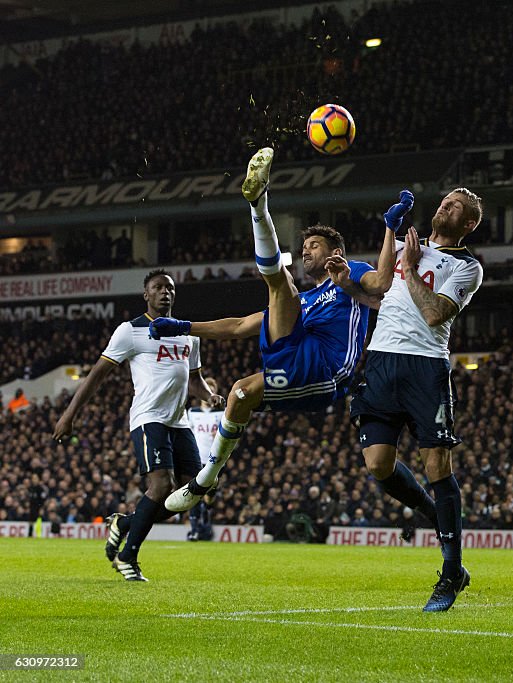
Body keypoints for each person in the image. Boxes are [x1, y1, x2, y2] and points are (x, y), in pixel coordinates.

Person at [150, 148, 408, 512]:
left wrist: (389, 228)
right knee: (239, 393)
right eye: (303, 247)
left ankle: (259, 206)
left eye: (314, 246)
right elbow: (239, 326)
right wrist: (183, 326)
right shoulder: (301, 301)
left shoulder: (351, 273)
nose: (306, 251)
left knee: (279, 283)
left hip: (328, 369)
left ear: (336, 250)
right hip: (297, 357)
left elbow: (382, 283)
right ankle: (206, 478)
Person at [345, 187, 484, 612]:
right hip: (383, 360)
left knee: (438, 465)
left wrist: (409, 266)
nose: (445, 206)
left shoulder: (467, 267)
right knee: (377, 464)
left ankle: (450, 572)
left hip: (427, 367)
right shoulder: (413, 246)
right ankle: (431, 513)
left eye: (455, 207)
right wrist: (386, 237)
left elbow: (434, 313)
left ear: (469, 223)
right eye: (444, 202)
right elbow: (380, 288)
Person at [52, 269, 224, 581]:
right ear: (146, 295)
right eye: (158, 288)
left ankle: (125, 524)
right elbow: (96, 376)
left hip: (179, 422)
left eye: (169, 288)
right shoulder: (129, 332)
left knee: (193, 491)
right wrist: (69, 415)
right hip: (148, 418)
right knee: (160, 486)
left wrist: (210, 395)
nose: (165, 293)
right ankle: (128, 556)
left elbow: (194, 380)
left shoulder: (188, 335)